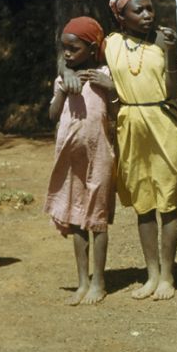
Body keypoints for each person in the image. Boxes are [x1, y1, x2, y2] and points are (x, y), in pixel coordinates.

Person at [106, 0, 177, 301]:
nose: (147, 14)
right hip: (130, 125)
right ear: (121, 17)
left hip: (162, 122)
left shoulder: (162, 41)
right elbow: (72, 51)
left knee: (168, 200)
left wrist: (170, 51)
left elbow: (173, 89)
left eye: (150, 8)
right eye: (138, 10)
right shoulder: (110, 43)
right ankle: (151, 273)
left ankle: (168, 275)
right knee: (143, 203)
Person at [44, 17, 116, 305]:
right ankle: (83, 281)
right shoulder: (63, 79)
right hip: (70, 157)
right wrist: (62, 90)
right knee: (76, 219)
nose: (68, 53)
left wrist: (111, 87)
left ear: (92, 48)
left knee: (97, 219)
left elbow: (116, 112)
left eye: (74, 48)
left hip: (100, 155)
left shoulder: (103, 75)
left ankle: (99, 282)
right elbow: (52, 115)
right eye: (64, 48)